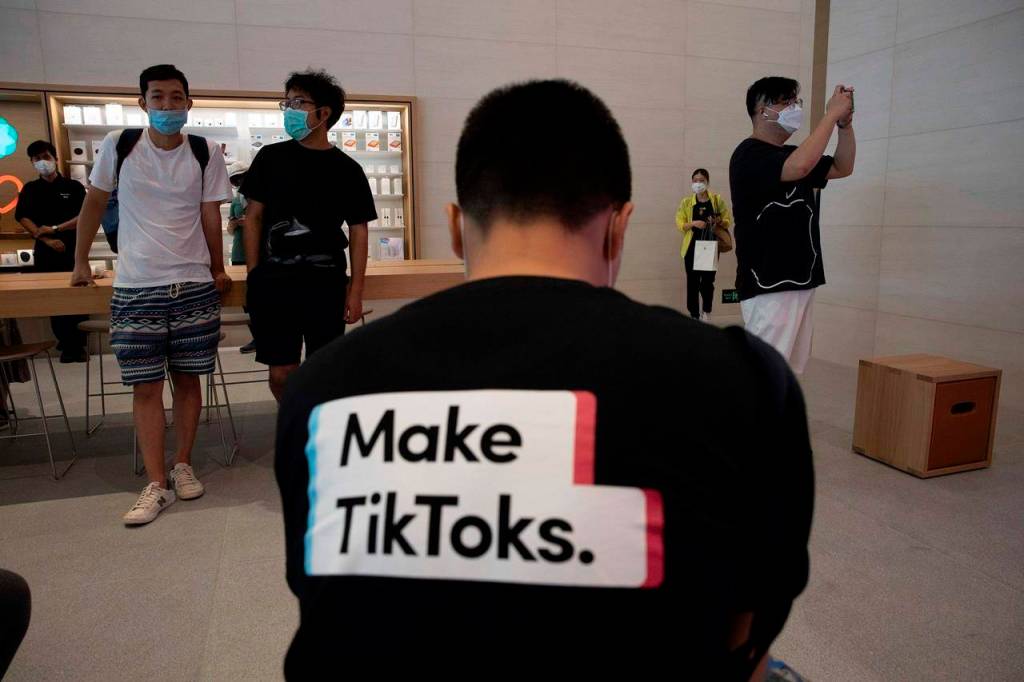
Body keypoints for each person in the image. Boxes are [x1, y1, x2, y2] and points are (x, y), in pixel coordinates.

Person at [275, 80, 814, 679]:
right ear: (620, 225)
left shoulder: (321, 388)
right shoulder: (741, 379)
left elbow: (324, 604)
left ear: (456, 227)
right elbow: (749, 630)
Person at [71, 64, 233, 526]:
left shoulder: (204, 152)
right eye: (158, 97)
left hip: (192, 283)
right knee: (145, 386)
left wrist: (217, 267)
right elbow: (95, 204)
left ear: (188, 102)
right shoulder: (119, 146)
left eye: (176, 97)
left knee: (187, 380)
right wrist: (80, 261)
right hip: (137, 284)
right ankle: (156, 482)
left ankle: (183, 464)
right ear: (143, 103)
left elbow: (209, 215)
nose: (167, 106)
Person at [241, 69, 376, 402]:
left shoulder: (348, 170)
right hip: (273, 282)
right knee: (280, 373)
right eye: (286, 102)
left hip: (326, 282)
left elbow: (359, 230)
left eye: (298, 102)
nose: (289, 109)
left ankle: (317, 438)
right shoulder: (270, 158)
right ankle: (295, 428)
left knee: (323, 369)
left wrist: (355, 289)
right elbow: (253, 217)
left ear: (324, 113)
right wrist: (254, 274)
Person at [729, 77, 855, 373]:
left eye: (796, 102)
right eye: (787, 102)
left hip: (801, 278)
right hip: (769, 281)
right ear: (763, 110)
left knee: (787, 371)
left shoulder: (792, 153)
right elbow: (799, 167)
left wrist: (844, 126)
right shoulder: (748, 154)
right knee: (762, 373)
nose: (794, 108)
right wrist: (830, 115)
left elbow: (842, 166)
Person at [15, 140, 88, 363]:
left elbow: (84, 217)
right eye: (37, 159)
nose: (42, 162)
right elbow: (22, 217)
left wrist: (57, 229)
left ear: (55, 158)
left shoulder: (73, 187)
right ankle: (65, 345)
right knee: (54, 299)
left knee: (77, 296)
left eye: (46, 157)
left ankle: (79, 345)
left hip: (73, 250)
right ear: (32, 162)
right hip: (45, 252)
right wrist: (46, 238)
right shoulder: (30, 189)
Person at [675, 168, 732, 321]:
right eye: (695, 181)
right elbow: (680, 223)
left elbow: (728, 220)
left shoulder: (716, 200)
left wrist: (719, 221)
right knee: (692, 282)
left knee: (707, 282)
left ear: (707, 182)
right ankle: (694, 315)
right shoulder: (687, 202)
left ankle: (706, 311)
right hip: (691, 248)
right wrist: (693, 223)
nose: (698, 184)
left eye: (701, 181)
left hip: (710, 246)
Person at [225, 161, 255, 354]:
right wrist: (236, 224)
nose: (239, 183)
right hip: (239, 252)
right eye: (236, 180)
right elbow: (229, 227)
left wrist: (249, 222)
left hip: (258, 252)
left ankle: (267, 335)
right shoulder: (236, 201)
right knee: (246, 298)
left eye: (241, 178)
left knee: (261, 296)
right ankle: (257, 337)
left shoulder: (261, 196)